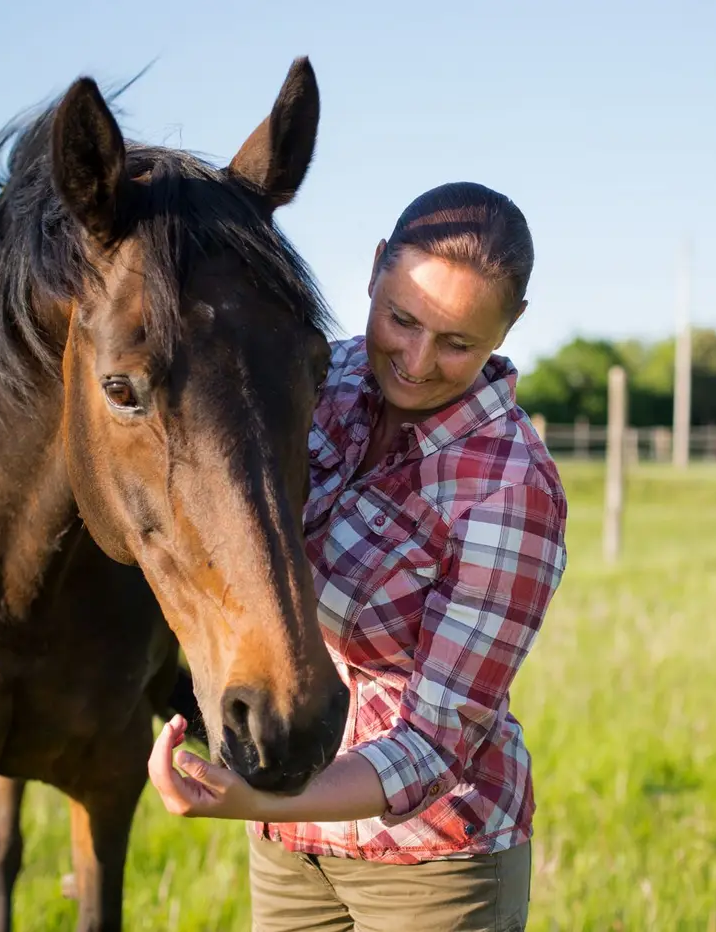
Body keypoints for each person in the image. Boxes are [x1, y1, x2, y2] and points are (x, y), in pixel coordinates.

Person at [147, 181, 568, 931]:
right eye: (400, 319)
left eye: (458, 343)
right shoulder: (317, 380)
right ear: (374, 268)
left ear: (510, 329)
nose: (414, 360)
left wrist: (264, 796)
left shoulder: (509, 487)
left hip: (433, 863)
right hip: (289, 846)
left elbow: (436, 744)